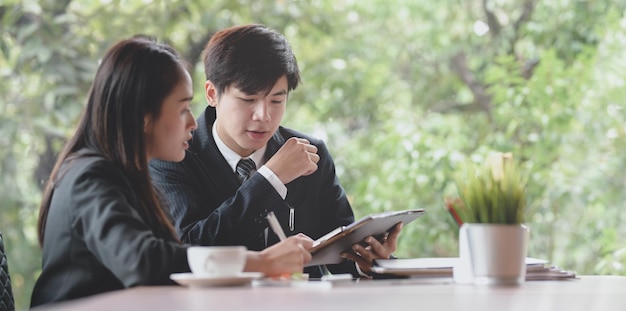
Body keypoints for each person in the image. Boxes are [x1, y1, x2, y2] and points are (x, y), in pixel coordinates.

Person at [31, 35, 313, 308]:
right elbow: (144, 261)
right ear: (144, 116)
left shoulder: (128, 176)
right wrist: (262, 263)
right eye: (182, 109)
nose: (193, 122)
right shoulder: (90, 176)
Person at [149, 24, 402, 278]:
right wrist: (270, 179)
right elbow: (191, 247)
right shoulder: (174, 155)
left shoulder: (311, 155)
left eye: (276, 100)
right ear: (212, 94)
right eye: (248, 99)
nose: (264, 115)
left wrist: (369, 260)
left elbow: (344, 250)